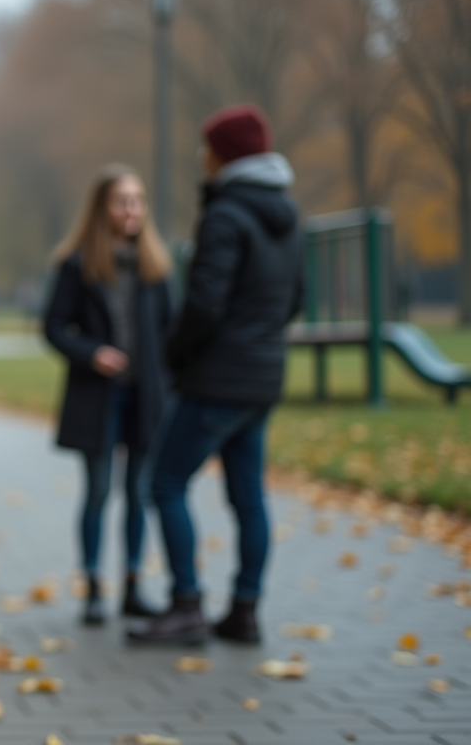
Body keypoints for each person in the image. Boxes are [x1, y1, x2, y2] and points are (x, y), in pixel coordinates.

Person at [128, 105, 303, 646]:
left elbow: (204, 303)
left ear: (225, 154)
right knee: (249, 497)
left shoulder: (226, 213)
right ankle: (245, 610)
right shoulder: (286, 213)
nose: (200, 157)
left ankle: (186, 604)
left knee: (163, 481)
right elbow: (297, 298)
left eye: (207, 148)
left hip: (217, 380)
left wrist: (171, 352)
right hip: (262, 379)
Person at [43, 164, 174, 626]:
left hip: (145, 398)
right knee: (99, 491)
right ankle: (95, 586)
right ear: (103, 209)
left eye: (138, 200)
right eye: (122, 201)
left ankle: (134, 585)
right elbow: (53, 327)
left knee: (139, 492)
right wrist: (92, 352)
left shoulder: (155, 267)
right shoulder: (76, 264)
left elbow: (170, 332)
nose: (132, 209)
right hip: (98, 398)